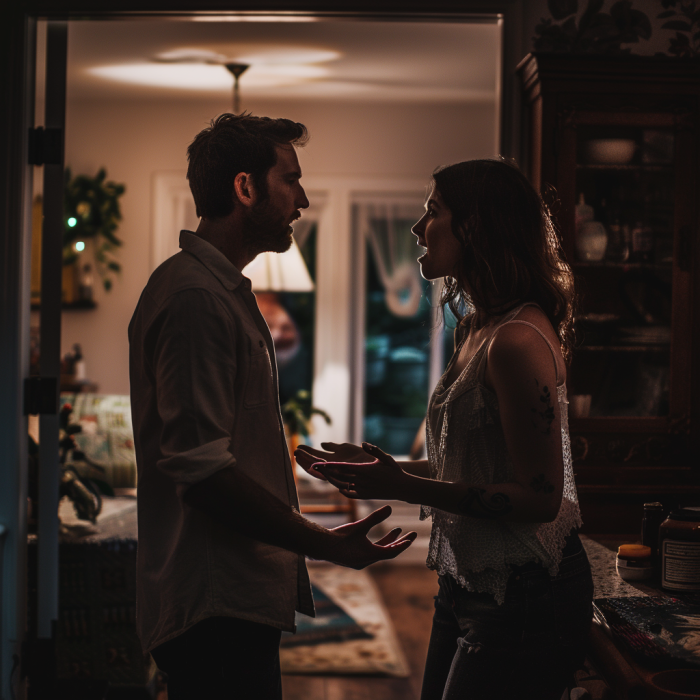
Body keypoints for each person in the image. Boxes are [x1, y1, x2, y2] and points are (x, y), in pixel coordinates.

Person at [128, 113, 416, 700]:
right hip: (213, 601)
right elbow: (204, 476)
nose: (303, 199)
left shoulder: (223, 293)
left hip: (232, 596)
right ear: (244, 188)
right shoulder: (195, 300)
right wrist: (327, 542)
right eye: (291, 180)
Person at [295, 158, 593, 700]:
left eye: (433, 211)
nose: (417, 227)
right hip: (467, 587)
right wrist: (386, 468)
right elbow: (476, 465)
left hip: (526, 594)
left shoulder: (517, 341)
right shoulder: (482, 327)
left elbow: (539, 500)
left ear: (477, 227)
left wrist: (404, 488)